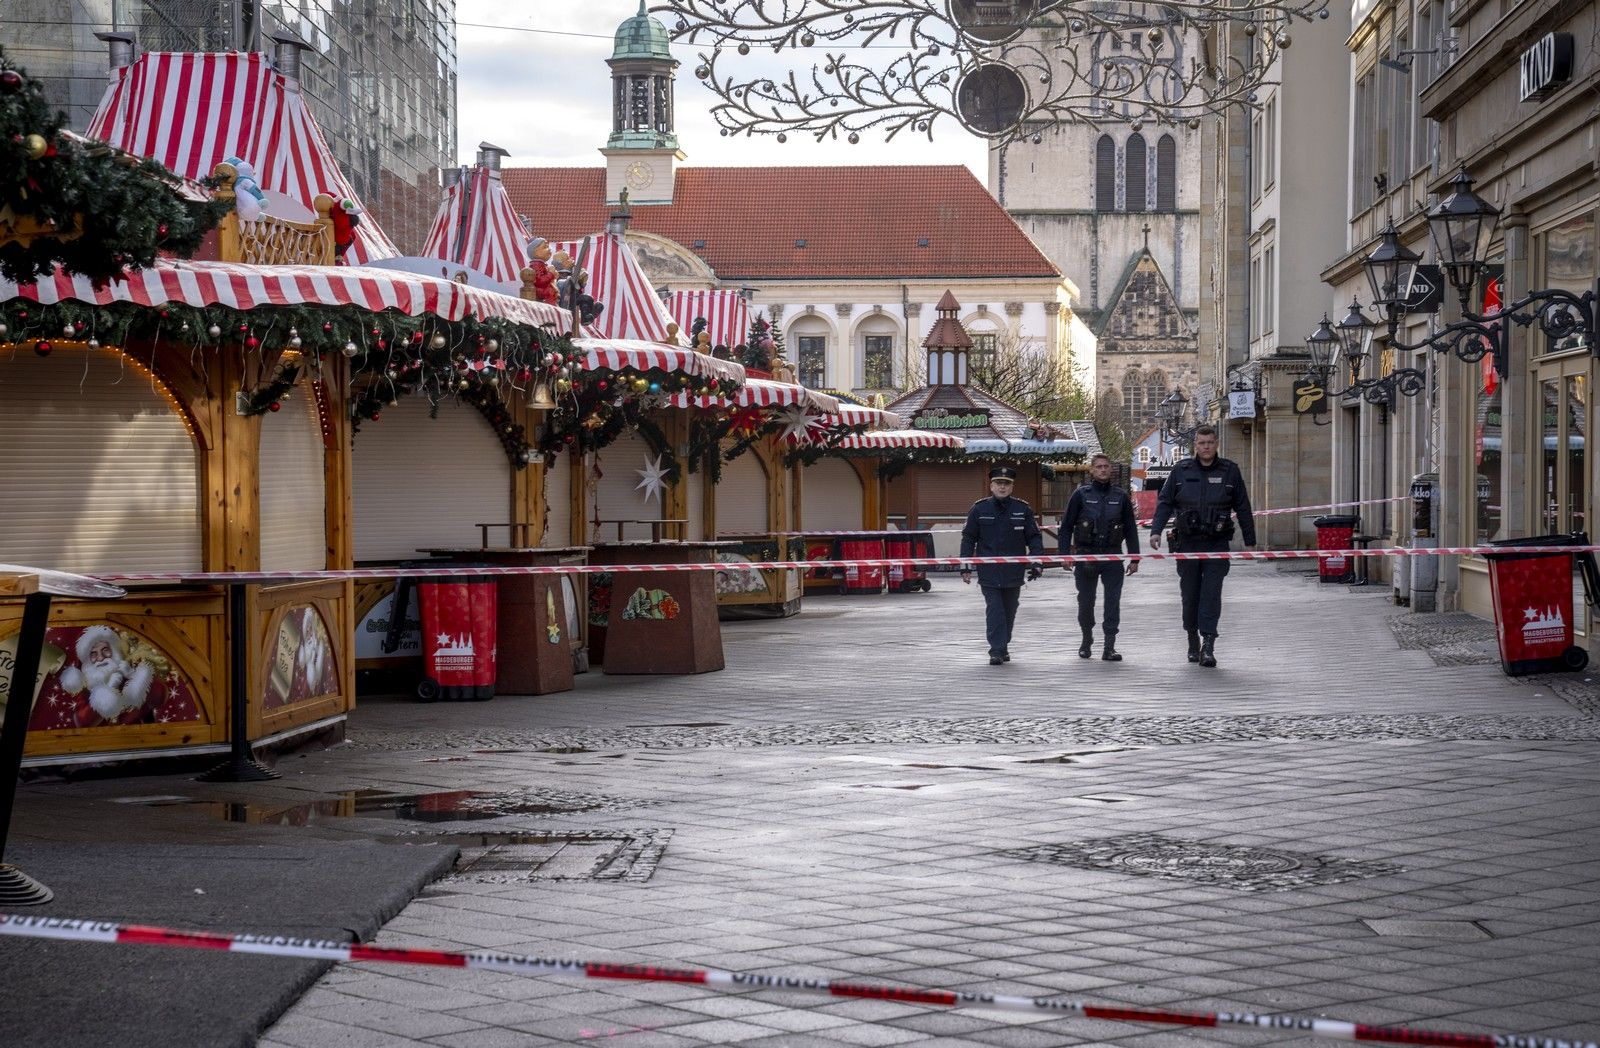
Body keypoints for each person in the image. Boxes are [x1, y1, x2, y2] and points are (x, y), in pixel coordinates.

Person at [1148, 425, 1255, 668]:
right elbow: (1165, 502)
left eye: (1209, 442)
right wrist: (1155, 531)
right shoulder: (1181, 470)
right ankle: (1192, 640)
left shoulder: (1230, 471)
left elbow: (1243, 507)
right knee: (1190, 595)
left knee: (1211, 595)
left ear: (1216, 443)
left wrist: (1249, 541)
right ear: (1195, 445)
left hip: (1217, 543)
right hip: (1188, 543)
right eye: (1201, 443)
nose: (1206, 447)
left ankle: (1208, 644)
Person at [961, 465, 1045, 665]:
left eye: (1006, 484)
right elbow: (968, 538)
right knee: (995, 609)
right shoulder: (979, 509)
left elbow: (1033, 538)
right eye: (998, 483)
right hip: (989, 572)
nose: (1002, 487)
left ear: (1012, 487)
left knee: (1010, 609)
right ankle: (996, 650)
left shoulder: (1022, 509)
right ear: (991, 486)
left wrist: (1037, 562)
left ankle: (1003, 645)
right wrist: (965, 566)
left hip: (1013, 572)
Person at [1059, 453, 1140, 661]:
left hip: (1112, 556)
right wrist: (1064, 555)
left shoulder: (1121, 496)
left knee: (1113, 602)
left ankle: (1109, 646)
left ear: (1110, 469)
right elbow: (1066, 526)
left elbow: (1131, 529)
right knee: (1086, 602)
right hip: (1086, 556)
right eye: (1099, 467)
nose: (1103, 469)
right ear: (1092, 470)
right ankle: (1086, 640)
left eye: (1106, 466)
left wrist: (1135, 558)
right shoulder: (1081, 495)